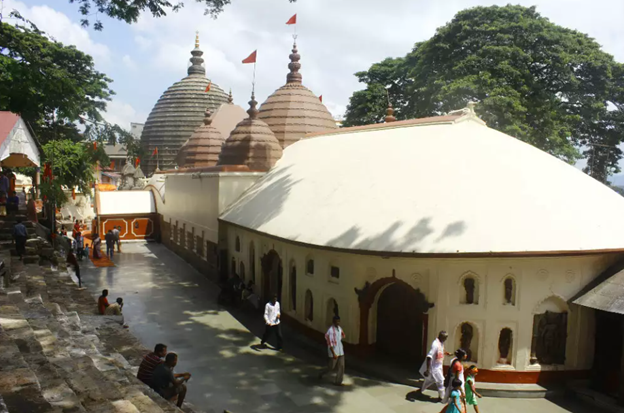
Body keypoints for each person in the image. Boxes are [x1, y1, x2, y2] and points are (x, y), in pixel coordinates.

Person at [418, 331, 452, 401]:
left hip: (438, 366)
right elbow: (429, 357)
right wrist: (427, 370)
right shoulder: (435, 345)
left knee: (429, 380)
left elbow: (441, 351)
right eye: (445, 338)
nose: (445, 339)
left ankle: (420, 390)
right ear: (441, 337)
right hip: (434, 368)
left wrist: (446, 353)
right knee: (441, 381)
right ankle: (442, 397)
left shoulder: (441, 343)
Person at [319, 315, 346, 385]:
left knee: (341, 366)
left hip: (340, 350)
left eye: (338, 321)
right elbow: (330, 344)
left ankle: (338, 381)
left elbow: (342, 335)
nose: (338, 323)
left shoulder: (339, 328)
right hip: (334, 351)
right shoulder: (331, 331)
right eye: (336, 321)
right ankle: (322, 372)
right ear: (333, 322)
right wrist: (334, 353)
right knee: (331, 367)